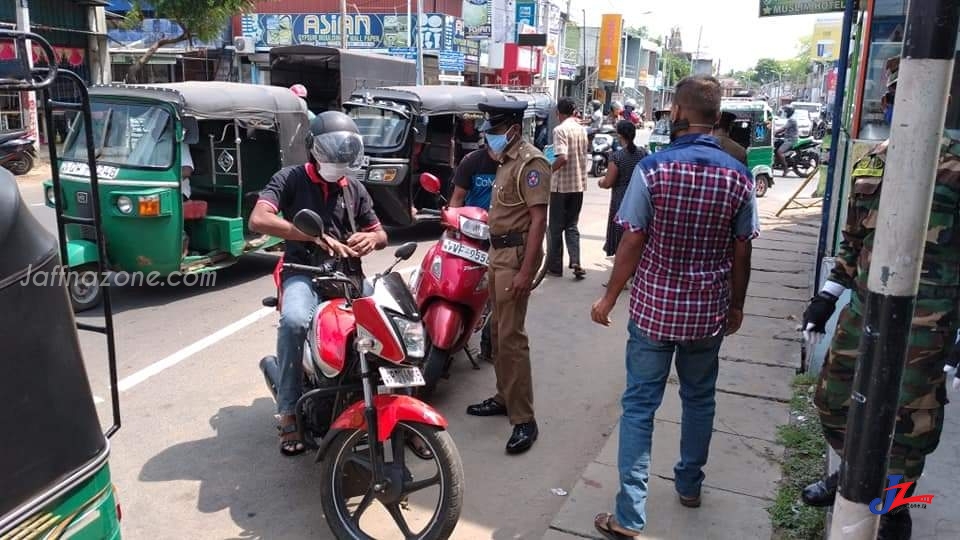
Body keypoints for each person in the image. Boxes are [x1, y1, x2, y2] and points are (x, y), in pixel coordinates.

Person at [589, 75, 758, 538]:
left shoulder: (654, 169)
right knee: (699, 398)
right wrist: (737, 304)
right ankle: (689, 485)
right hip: (708, 312)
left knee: (641, 406)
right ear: (717, 117)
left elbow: (633, 238)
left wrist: (608, 296)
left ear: (678, 114)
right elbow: (743, 249)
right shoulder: (738, 174)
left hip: (654, 310)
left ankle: (629, 517)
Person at [799, 135, 960, 539]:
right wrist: (828, 295)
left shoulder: (956, 167)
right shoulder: (873, 160)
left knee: (910, 423)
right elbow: (854, 239)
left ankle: (893, 508)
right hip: (865, 308)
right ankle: (854, 473)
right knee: (832, 400)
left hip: (929, 320)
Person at [249, 111, 388, 456]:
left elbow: (381, 232)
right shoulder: (290, 178)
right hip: (303, 271)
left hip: (347, 275)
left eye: (345, 151)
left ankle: (392, 402)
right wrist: (314, 237)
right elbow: (259, 219)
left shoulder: (354, 187)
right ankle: (289, 412)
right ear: (314, 149)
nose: (339, 159)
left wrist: (373, 241)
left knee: (389, 324)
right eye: (332, 150)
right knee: (295, 322)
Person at [465, 99, 551, 455]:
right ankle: (504, 396)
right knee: (498, 334)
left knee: (512, 339)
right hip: (497, 253)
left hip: (515, 258)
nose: (490, 138)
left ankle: (524, 419)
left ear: (513, 130)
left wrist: (526, 271)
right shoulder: (506, 160)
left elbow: (538, 221)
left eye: (495, 131)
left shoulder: (531, 163)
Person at [450, 137, 500, 363]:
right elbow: (457, 199)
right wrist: (452, 225)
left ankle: (488, 346)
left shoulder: (514, 164)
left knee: (493, 293)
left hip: (501, 239)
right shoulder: (471, 162)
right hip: (471, 234)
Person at [546, 97, 589, 280]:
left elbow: (562, 158)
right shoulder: (581, 130)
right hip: (578, 184)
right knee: (571, 225)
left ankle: (555, 267)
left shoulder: (560, 130)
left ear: (558, 113)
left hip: (560, 186)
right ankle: (576, 260)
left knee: (555, 227)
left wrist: (548, 171)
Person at [599, 120, 647, 262]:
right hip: (639, 199)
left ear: (620, 136)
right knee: (636, 236)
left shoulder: (617, 156)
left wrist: (600, 182)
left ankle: (620, 277)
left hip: (621, 200)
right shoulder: (643, 153)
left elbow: (608, 182)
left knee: (621, 239)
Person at [775, 105, 798, 174]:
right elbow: (787, 130)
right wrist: (779, 135)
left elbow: (784, 128)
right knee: (776, 144)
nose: (784, 113)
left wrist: (774, 132)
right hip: (787, 138)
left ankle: (785, 168)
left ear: (789, 112)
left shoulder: (792, 120)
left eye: (785, 112)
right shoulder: (790, 119)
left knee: (779, 152)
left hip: (791, 140)